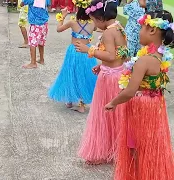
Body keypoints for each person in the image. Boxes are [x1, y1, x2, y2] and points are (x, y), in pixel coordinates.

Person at [105, 10, 174, 179]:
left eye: (141, 27)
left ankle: (139, 174)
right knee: (149, 144)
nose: (139, 31)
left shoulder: (144, 60)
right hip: (155, 105)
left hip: (141, 107)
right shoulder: (161, 56)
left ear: (152, 30)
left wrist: (113, 102)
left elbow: (130, 91)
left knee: (136, 146)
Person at [75, 0, 129, 164]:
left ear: (101, 18)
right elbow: (122, 54)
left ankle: (103, 152)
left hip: (109, 78)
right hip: (118, 74)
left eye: (94, 20)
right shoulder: (119, 27)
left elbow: (111, 55)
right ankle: (115, 149)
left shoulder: (107, 33)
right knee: (115, 116)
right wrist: (102, 65)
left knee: (104, 115)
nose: (94, 24)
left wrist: (89, 50)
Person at [48, 0, 97, 113]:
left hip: (73, 52)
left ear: (77, 9)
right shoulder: (92, 23)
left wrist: (62, 17)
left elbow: (58, 29)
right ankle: (82, 105)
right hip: (86, 52)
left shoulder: (72, 22)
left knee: (71, 74)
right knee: (84, 76)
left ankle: (69, 100)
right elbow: (95, 29)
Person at [20, 0, 51, 69]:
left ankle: (33, 63)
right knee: (41, 42)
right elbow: (49, 6)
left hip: (35, 23)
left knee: (32, 43)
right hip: (44, 22)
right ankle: (41, 59)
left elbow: (22, 4)